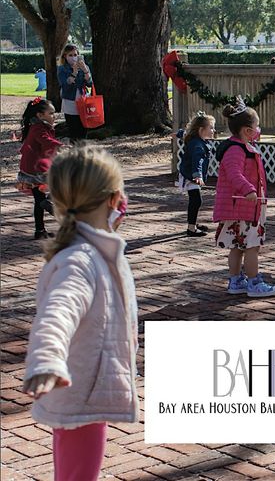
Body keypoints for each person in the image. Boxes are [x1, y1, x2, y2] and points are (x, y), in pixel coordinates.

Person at [23, 144, 135, 481]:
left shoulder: (91, 248)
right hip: (81, 392)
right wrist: (46, 360)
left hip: (80, 388)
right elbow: (58, 313)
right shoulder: (81, 260)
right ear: (114, 198)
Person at [214, 97, 275, 297]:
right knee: (251, 246)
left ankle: (235, 281)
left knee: (237, 246)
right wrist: (248, 189)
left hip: (241, 207)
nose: (258, 130)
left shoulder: (241, 147)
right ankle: (253, 283)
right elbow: (234, 173)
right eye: (256, 126)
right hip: (243, 208)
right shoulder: (236, 149)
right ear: (246, 130)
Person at [18, 97, 63, 240]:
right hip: (36, 169)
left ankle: (40, 230)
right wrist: (60, 146)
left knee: (39, 200)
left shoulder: (36, 126)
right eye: (51, 113)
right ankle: (50, 201)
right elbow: (46, 140)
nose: (54, 116)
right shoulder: (39, 128)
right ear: (40, 115)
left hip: (31, 168)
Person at [177, 111, 216, 237]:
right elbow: (197, 160)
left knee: (195, 200)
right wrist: (197, 175)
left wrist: (177, 134)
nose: (213, 130)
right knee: (196, 200)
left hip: (189, 173)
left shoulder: (195, 139)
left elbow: (185, 134)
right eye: (211, 127)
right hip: (190, 175)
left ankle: (192, 223)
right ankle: (191, 228)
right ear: (201, 130)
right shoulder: (198, 145)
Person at [56, 44, 93, 140]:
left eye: (75, 55)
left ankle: (83, 151)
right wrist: (74, 72)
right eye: (70, 55)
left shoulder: (85, 67)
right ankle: (74, 152)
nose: (73, 58)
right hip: (69, 101)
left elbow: (89, 83)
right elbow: (65, 85)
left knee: (84, 129)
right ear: (65, 56)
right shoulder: (62, 69)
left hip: (83, 101)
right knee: (73, 129)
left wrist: (85, 70)